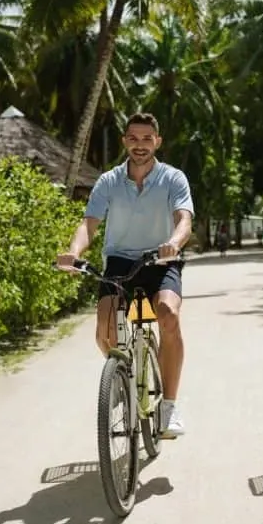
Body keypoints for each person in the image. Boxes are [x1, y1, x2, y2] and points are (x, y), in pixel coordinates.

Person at [56, 111, 194, 438]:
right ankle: (124, 374)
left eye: (147, 138)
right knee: (104, 331)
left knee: (167, 314)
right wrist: (74, 253)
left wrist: (173, 243)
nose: (140, 145)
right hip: (119, 262)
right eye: (134, 138)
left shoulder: (173, 178)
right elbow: (89, 224)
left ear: (157, 141)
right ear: (125, 142)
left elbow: (184, 219)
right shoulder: (108, 182)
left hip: (161, 260)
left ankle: (169, 406)